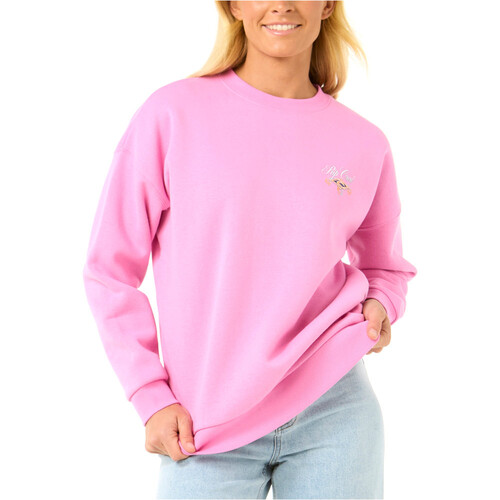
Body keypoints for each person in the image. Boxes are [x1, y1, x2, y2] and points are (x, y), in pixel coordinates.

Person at [82, 1, 417, 498]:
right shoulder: (172, 115)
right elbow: (109, 270)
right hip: (202, 420)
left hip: (336, 410)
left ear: (327, 5)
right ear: (235, 5)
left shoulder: (364, 143)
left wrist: (381, 304)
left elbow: (387, 268)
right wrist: (150, 394)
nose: (281, 4)